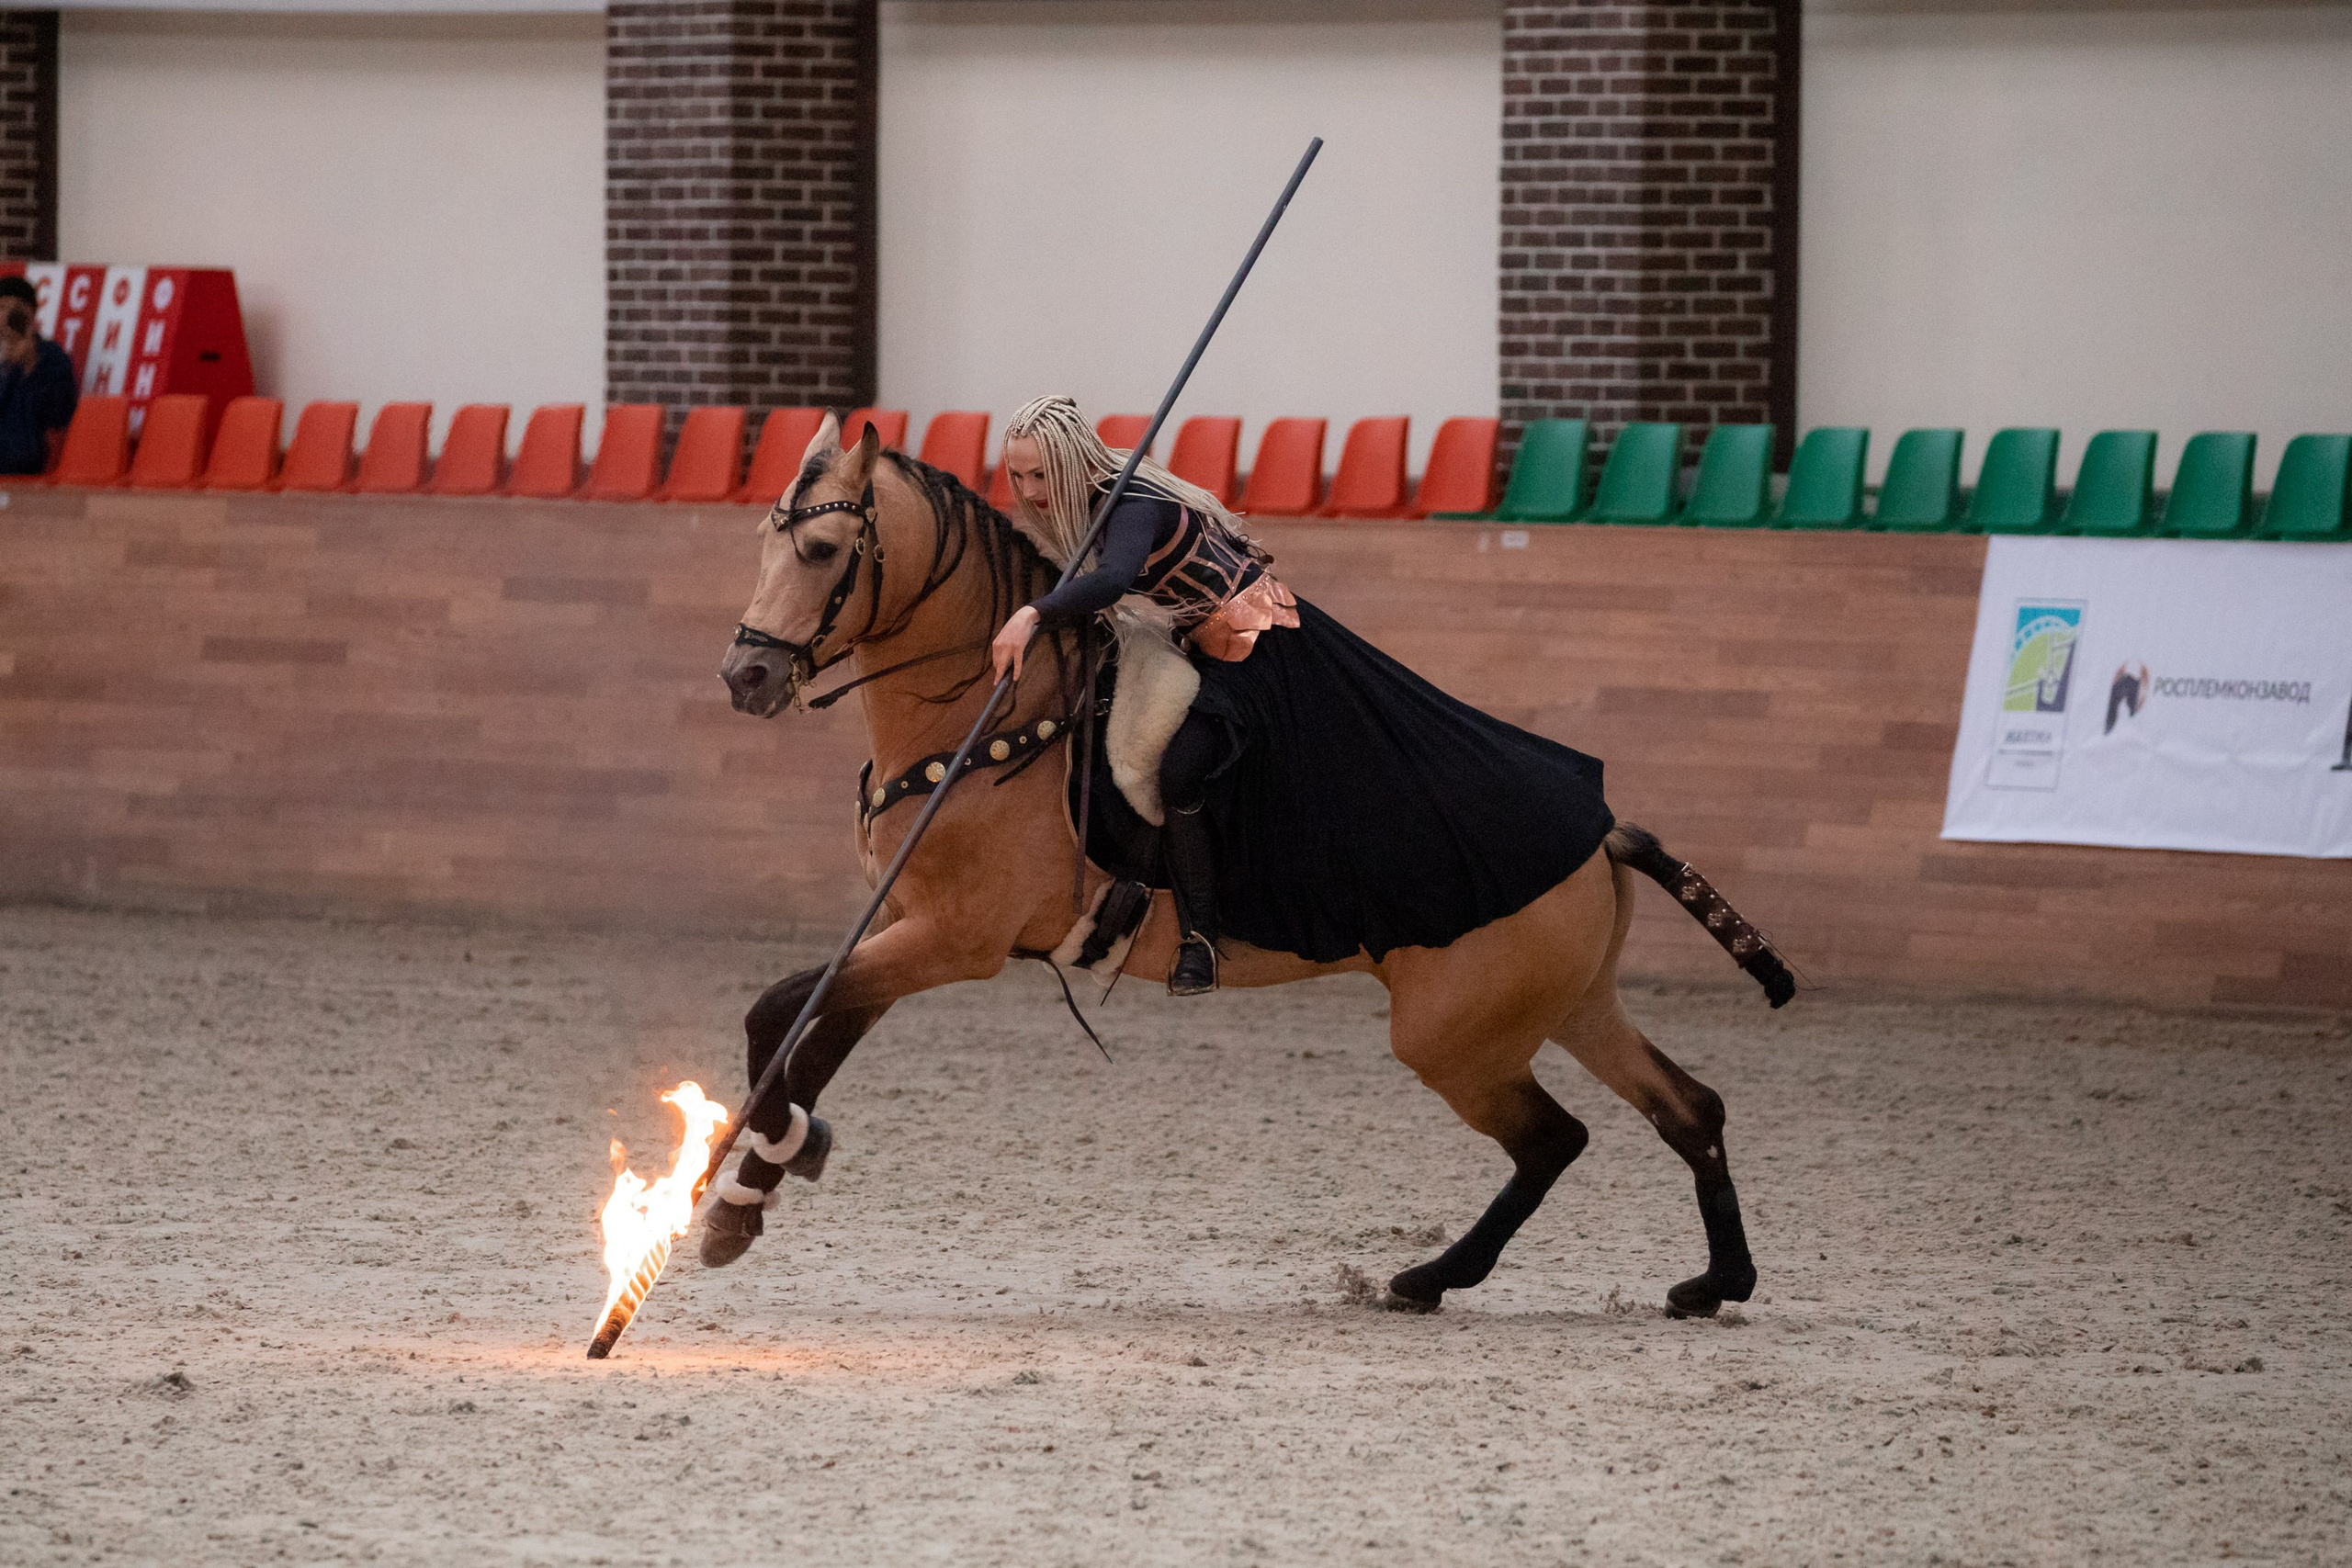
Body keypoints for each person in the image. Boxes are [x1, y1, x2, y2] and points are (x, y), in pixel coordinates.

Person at [989, 395, 1614, 997]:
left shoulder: (1128, 500)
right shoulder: (1097, 500)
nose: (1031, 490)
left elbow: (1115, 579)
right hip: (1209, 644)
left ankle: (1201, 937)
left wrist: (1032, 615)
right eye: (1018, 475)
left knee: (1183, 769)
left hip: (1264, 647)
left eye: (1040, 473)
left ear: (1073, 459)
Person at [0, 276, 76, 476]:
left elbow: (60, 415)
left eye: (17, 308)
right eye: (2, 307)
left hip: (23, 463)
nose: (8, 315)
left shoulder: (49, 355)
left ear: (32, 313)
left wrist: (30, 368)